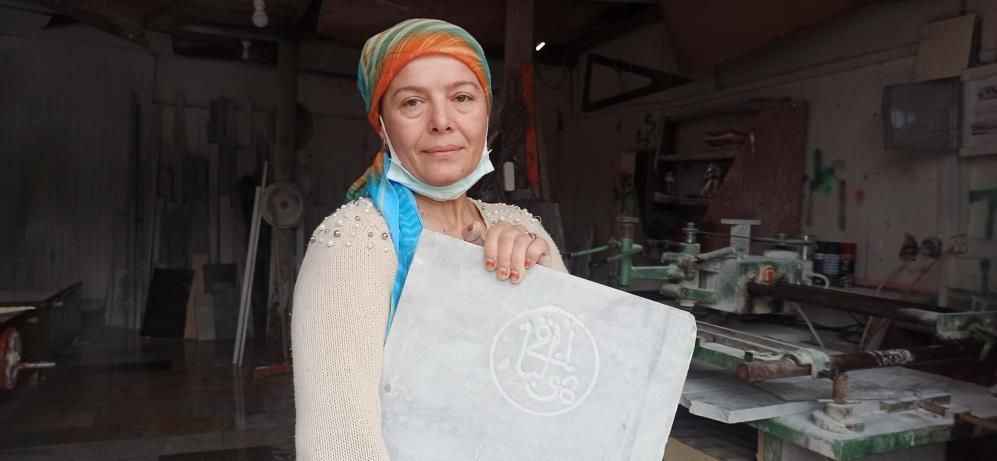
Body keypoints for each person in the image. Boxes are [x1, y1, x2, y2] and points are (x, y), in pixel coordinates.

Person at [291, 18, 567, 460]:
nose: (442, 122)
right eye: (412, 102)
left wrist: (537, 276)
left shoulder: (520, 228)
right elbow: (339, 445)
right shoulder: (354, 243)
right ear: (382, 123)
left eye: (462, 97)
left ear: (486, 112)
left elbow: (570, 388)